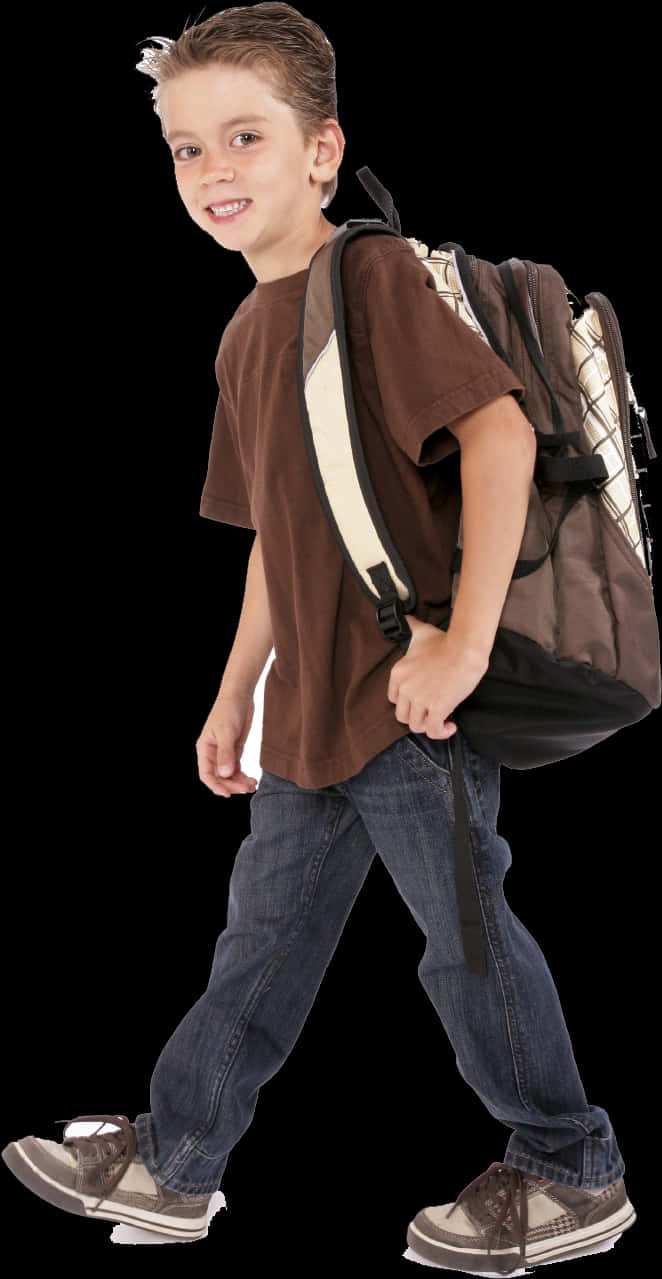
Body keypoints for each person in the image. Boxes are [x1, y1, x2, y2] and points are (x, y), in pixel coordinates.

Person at [2, 4, 635, 1267]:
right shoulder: (246, 334)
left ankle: (569, 1169)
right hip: (309, 714)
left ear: (321, 151)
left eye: (244, 136)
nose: (213, 171)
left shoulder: (374, 280)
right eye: (186, 149)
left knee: (463, 949)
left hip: (409, 704)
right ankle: (178, 1163)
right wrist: (234, 692)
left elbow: (500, 434)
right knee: (261, 948)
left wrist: (456, 643)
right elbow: (273, 543)